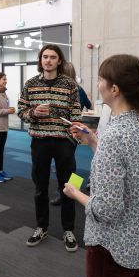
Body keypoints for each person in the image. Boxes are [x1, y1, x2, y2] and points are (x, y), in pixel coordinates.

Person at [63, 54, 139, 277]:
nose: (97, 85)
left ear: (114, 89)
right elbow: (128, 172)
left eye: (100, 79)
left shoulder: (116, 135)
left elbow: (106, 209)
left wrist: (75, 193)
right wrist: (95, 142)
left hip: (111, 249)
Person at [18, 44, 82, 252]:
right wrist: (34, 114)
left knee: (69, 188)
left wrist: (75, 136)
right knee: (40, 188)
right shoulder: (30, 84)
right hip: (40, 141)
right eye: (45, 57)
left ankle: (68, 230)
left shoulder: (69, 85)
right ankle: (42, 227)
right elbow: (21, 111)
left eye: (52, 57)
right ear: (41, 60)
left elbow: (76, 113)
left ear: (59, 61)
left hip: (64, 142)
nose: (48, 60)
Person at [50, 61, 92, 206]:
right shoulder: (79, 88)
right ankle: (70, 190)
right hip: (73, 131)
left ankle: (65, 192)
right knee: (68, 162)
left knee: (65, 164)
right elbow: (89, 105)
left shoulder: (68, 89)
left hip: (65, 131)